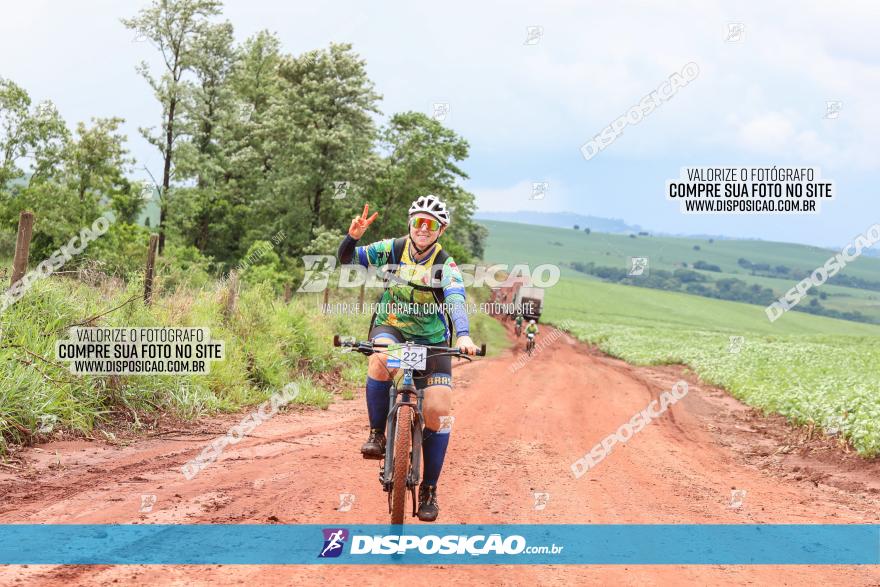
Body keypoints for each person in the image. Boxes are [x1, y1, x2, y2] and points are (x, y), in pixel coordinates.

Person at [336, 195, 478, 522]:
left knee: (438, 411)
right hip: (393, 327)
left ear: (440, 230)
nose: (423, 229)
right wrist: (352, 237)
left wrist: (465, 335)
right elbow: (346, 259)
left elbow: (455, 299)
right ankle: (376, 434)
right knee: (380, 358)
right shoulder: (392, 249)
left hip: (433, 339)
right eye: (418, 222)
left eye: (431, 224)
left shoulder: (446, 265)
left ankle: (429, 489)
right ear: (410, 224)